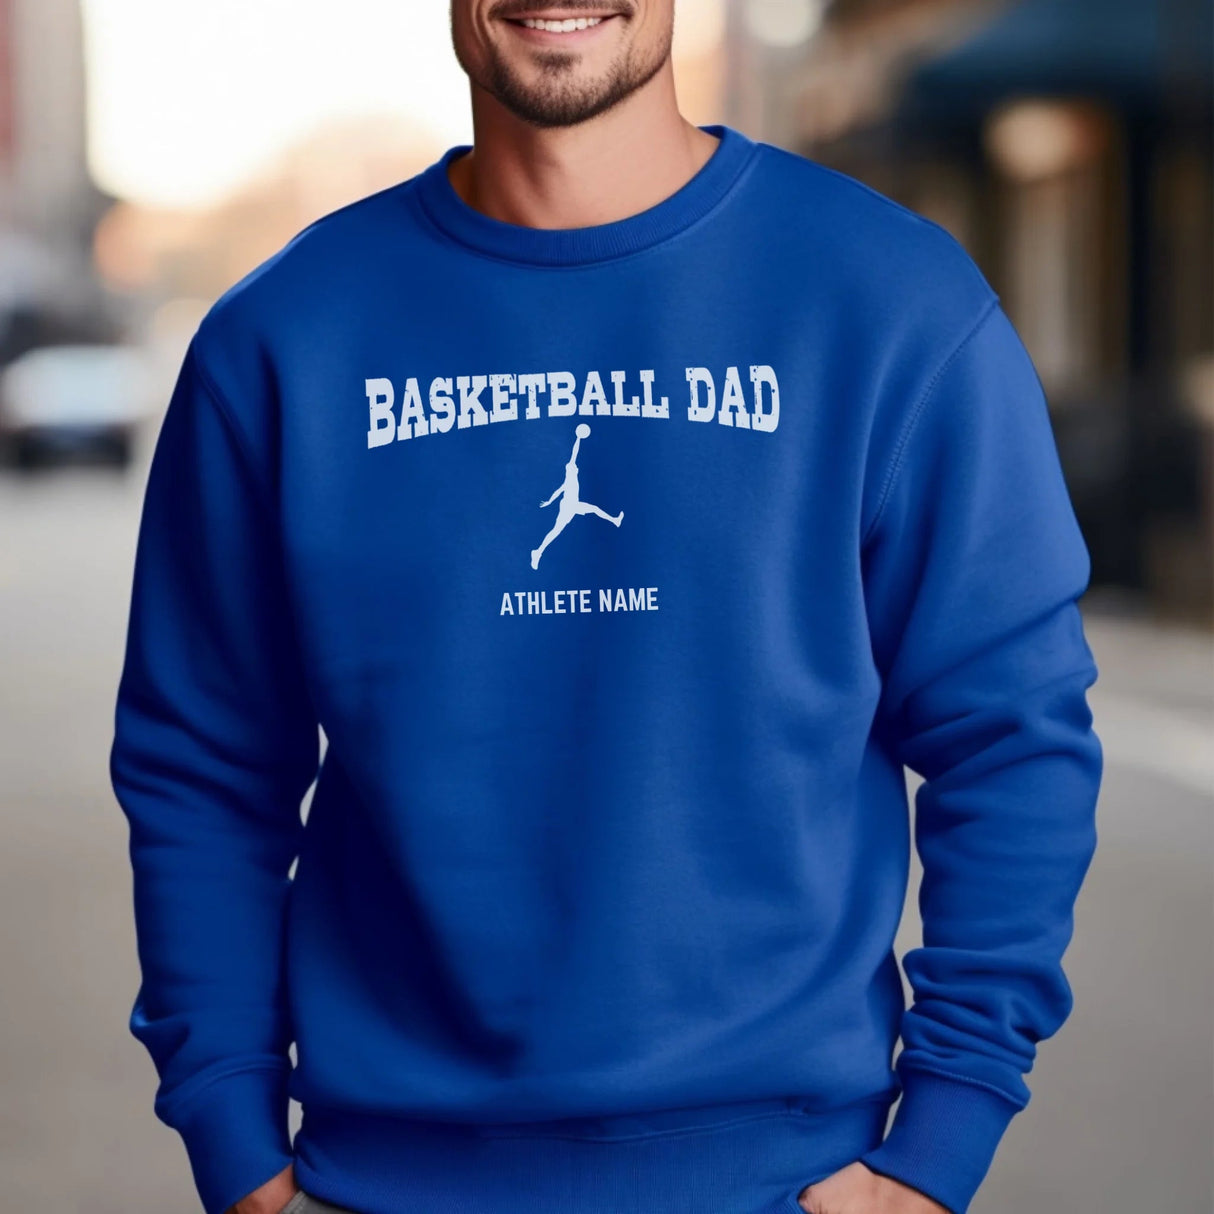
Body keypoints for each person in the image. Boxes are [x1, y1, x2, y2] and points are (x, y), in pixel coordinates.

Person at [108, 3, 1104, 1214]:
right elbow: (200, 766)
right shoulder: (282, 340)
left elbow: (1011, 732)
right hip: (381, 1179)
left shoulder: (887, 303)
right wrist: (231, 1127)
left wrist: (941, 1134)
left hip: (783, 1179)